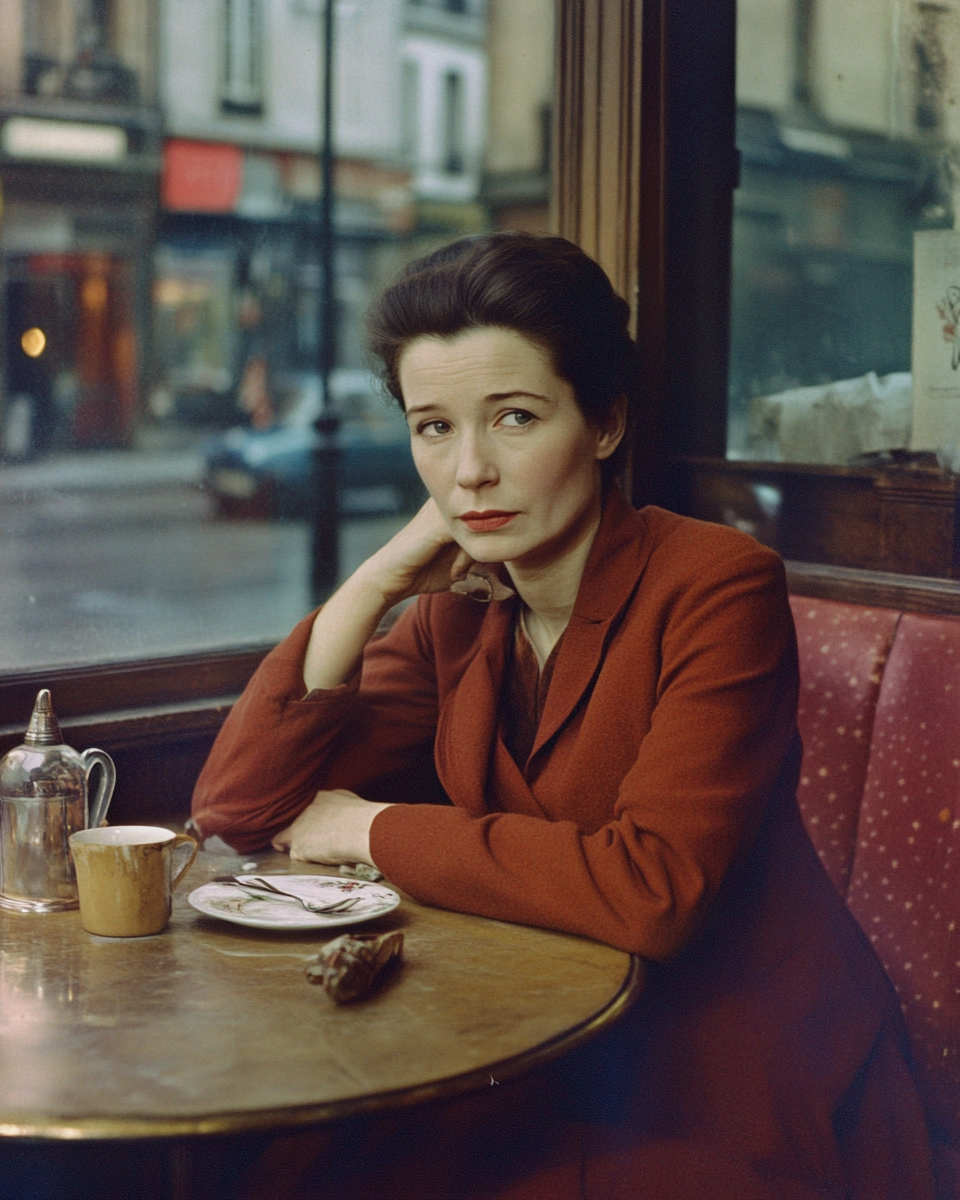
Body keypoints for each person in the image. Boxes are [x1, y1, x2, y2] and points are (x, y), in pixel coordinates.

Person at [191, 233, 934, 1199]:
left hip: (727, 1066)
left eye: (513, 418)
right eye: (433, 428)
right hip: (536, 1044)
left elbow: (654, 893)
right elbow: (239, 807)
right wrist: (375, 582)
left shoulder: (717, 586)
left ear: (606, 422)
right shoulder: (457, 614)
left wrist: (367, 828)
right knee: (276, 1166)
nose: (469, 474)